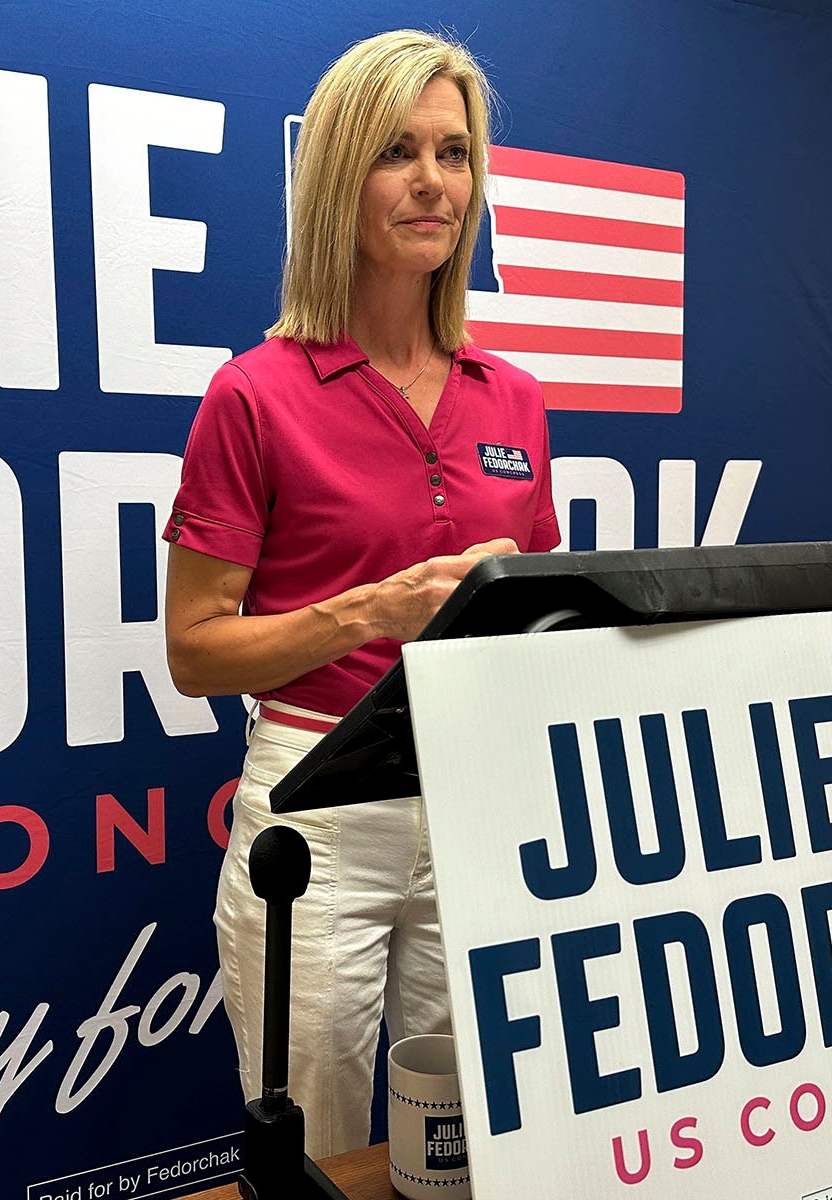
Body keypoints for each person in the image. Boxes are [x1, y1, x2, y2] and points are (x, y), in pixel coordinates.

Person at [163, 29, 560, 1158]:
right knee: (319, 1153)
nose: (434, 182)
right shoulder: (255, 395)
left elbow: (536, 612)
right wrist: (365, 614)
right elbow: (194, 651)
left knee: (468, 1143)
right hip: (320, 809)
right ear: (342, 177)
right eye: (398, 152)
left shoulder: (515, 399)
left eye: (454, 151)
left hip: (476, 801)